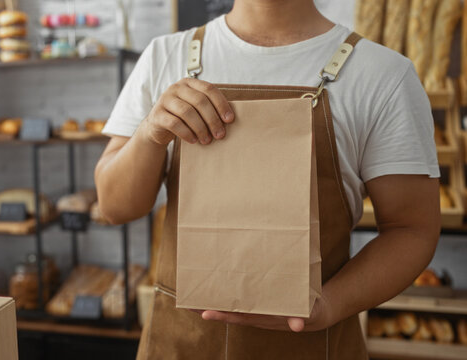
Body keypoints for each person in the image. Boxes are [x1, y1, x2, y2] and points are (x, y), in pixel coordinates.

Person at [95, 0, 440, 358]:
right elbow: (115, 206)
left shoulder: (382, 74)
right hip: (179, 344)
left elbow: (411, 229)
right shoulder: (165, 56)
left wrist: (329, 306)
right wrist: (151, 132)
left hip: (312, 345)